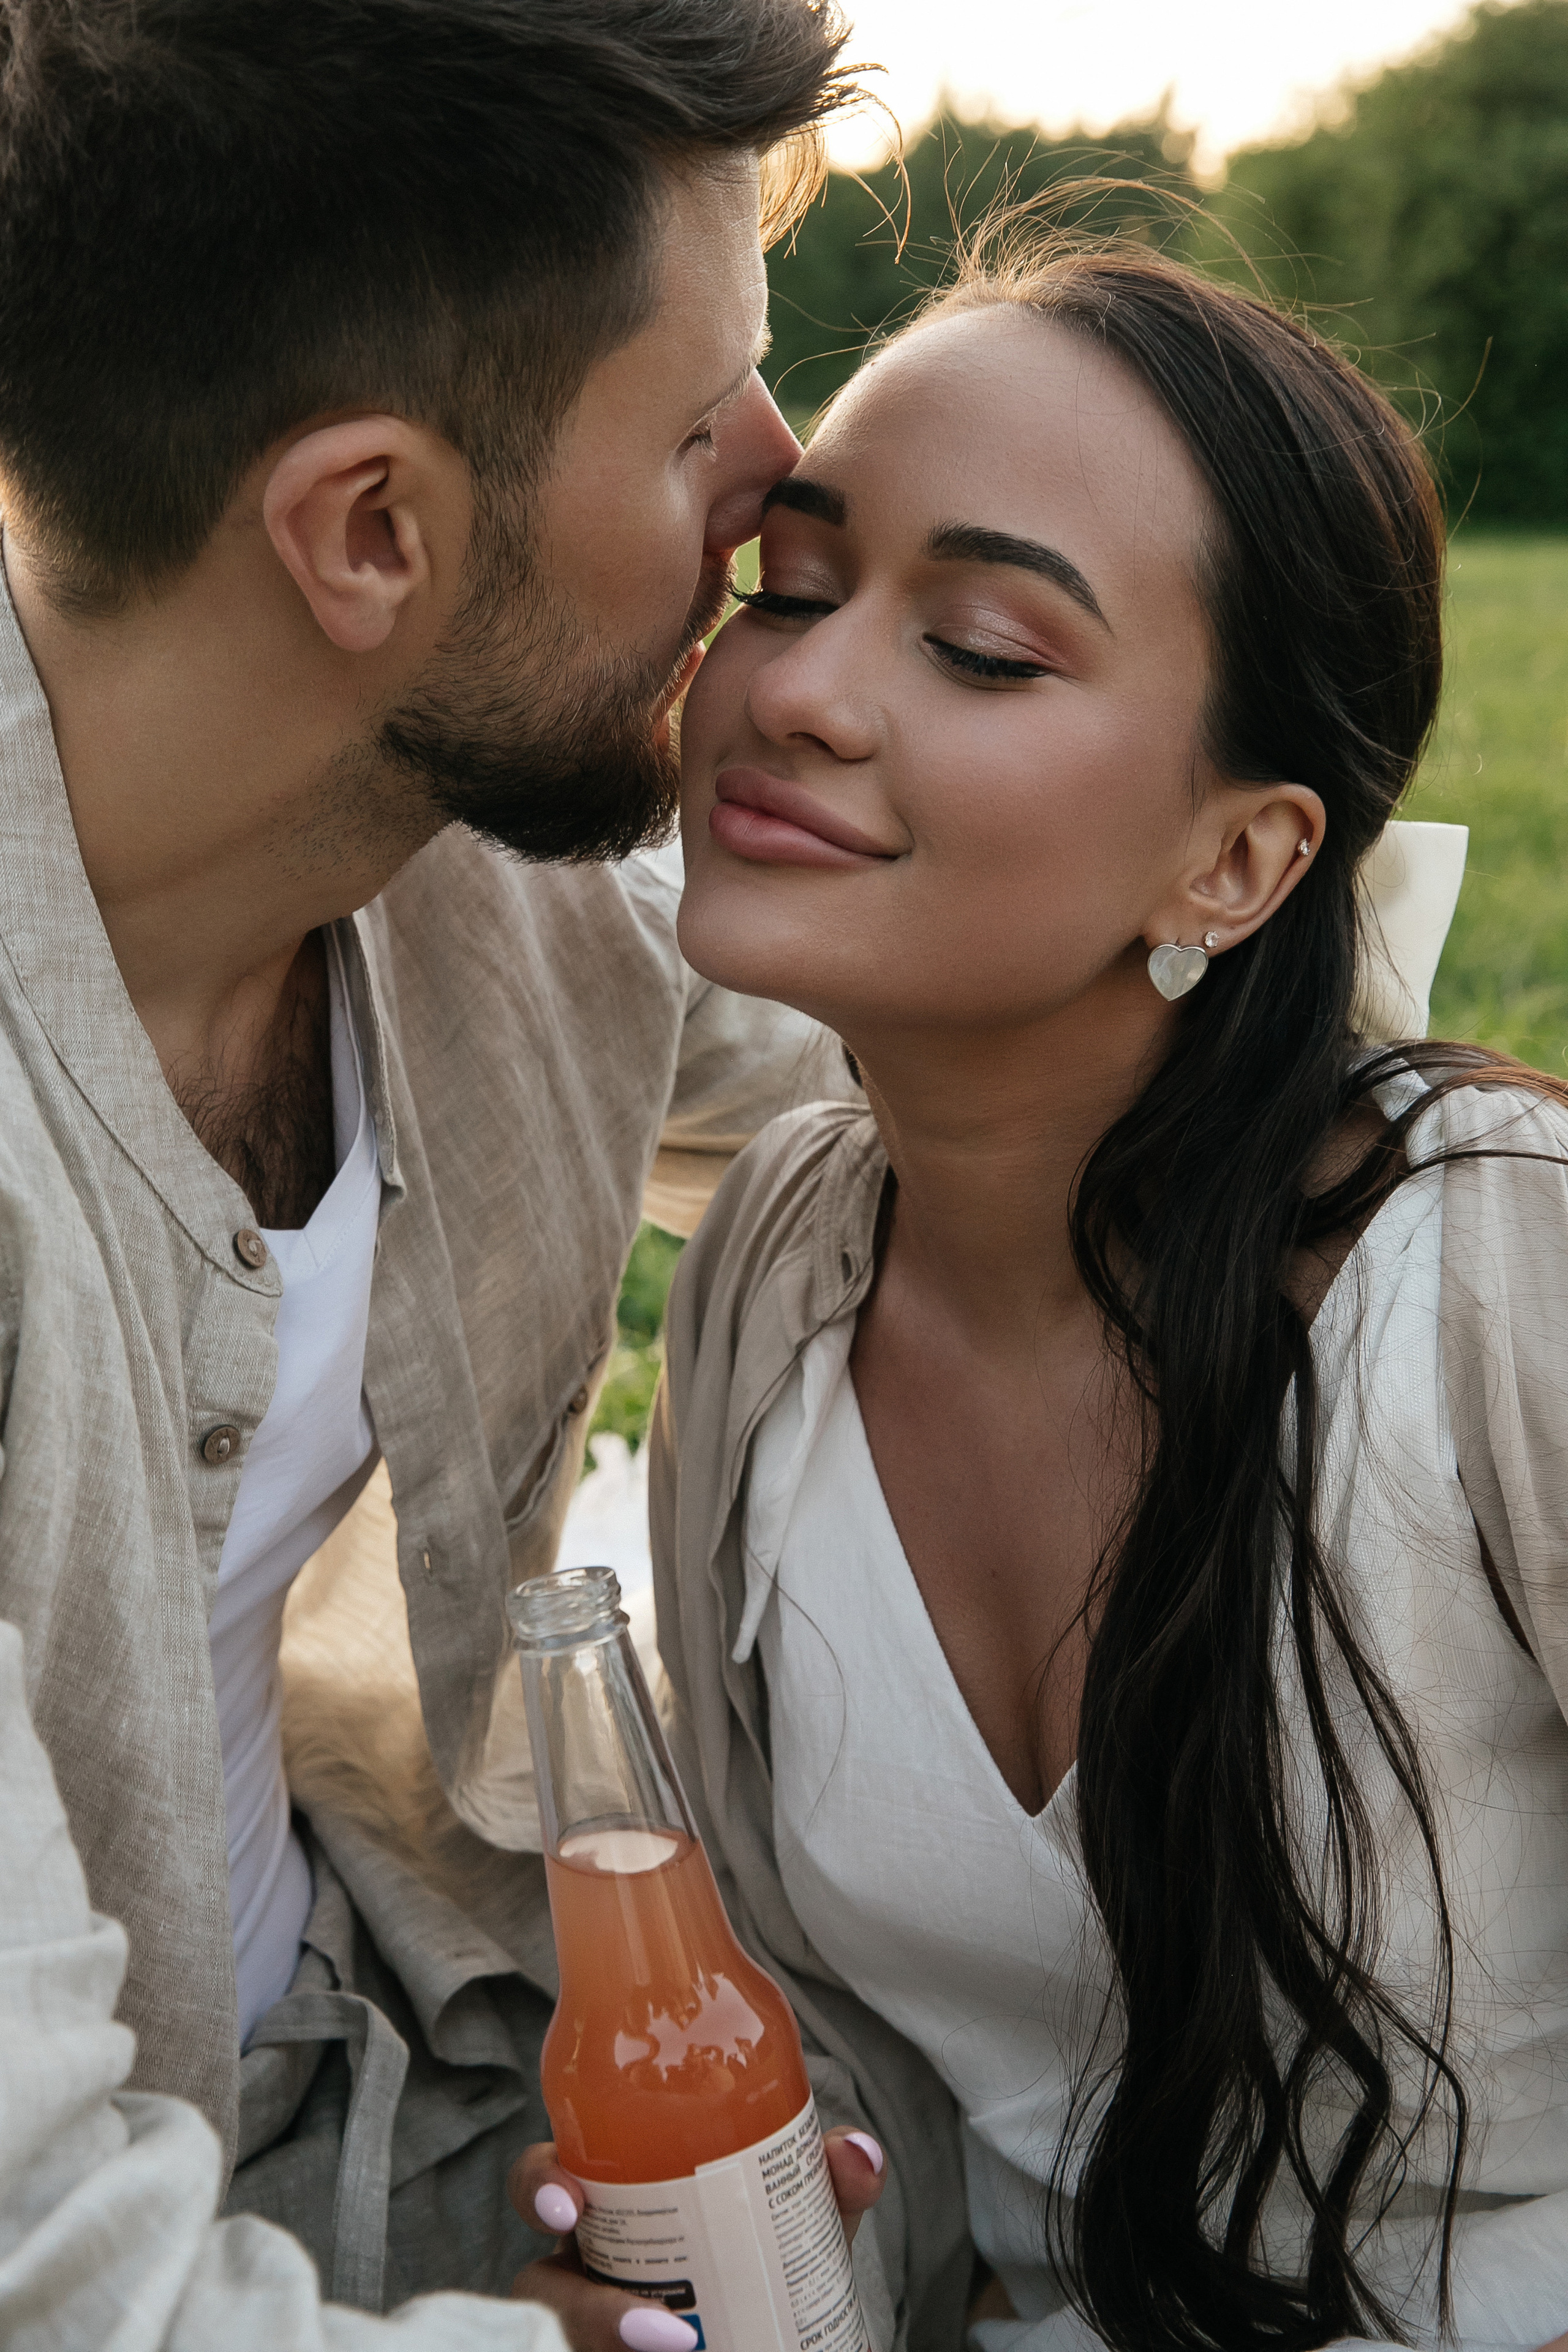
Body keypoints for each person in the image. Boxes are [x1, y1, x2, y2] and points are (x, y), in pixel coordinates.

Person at [523, 227, 1568, 2351]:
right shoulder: (769, 1292)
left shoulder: (1493, 1270)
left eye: (984, 649)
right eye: (792, 589)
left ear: (1241, 862)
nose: (798, 689)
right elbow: (850, 2096)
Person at [0, 1, 879, 2343]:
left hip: (408, 2062)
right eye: (700, 421)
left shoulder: (488, 893)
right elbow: (50, 2265)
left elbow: (956, 1081)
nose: (785, 482)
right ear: (373, 526)